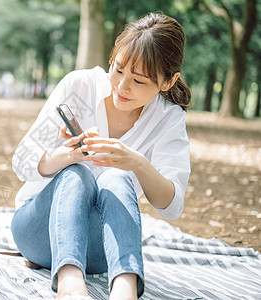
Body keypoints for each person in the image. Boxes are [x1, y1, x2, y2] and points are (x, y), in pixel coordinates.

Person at [11, 13, 191, 300]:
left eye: (139, 80)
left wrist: (138, 163)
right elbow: (21, 161)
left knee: (117, 176)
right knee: (76, 173)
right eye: (118, 70)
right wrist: (65, 156)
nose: (122, 86)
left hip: (100, 250)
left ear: (169, 82)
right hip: (38, 230)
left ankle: (125, 288)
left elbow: (171, 205)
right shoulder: (79, 86)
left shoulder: (168, 119)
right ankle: (69, 287)